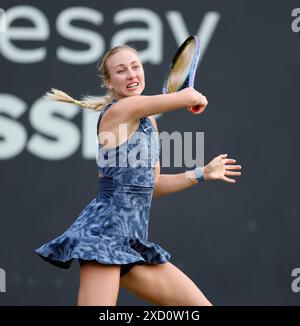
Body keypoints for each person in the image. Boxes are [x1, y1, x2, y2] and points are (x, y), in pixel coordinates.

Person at [35, 45, 242, 306]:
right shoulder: (119, 111)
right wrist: (191, 97)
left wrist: (202, 173)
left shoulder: (148, 121)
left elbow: (153, 184)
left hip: (132, 241)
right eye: (121, 71)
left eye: (136, 67)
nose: (131, 74)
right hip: (104, 236)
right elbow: (187, 98)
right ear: (109, 82)